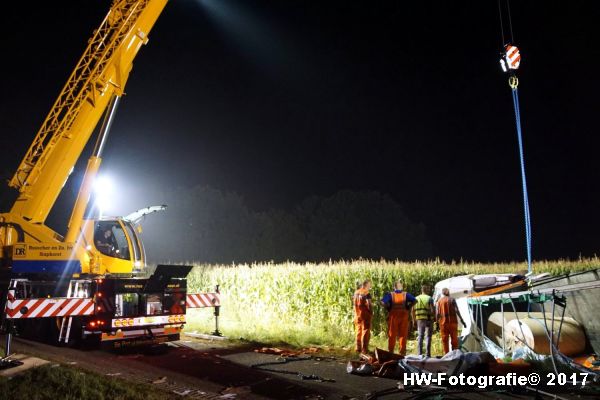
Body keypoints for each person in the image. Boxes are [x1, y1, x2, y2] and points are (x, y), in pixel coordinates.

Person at [381, 281, 416, 356]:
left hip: (393, 317)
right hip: (404, 317)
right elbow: (415, 300)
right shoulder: (406, 294)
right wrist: (408, 307)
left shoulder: (391, 295)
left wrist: (388, 308)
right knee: (403, 335)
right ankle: (402, 353)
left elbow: (382, 302)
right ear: (401, 287)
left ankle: (391, 352)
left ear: (394, 287)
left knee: (392, 334)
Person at [435, 288, 467, 354]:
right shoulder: (452, 299)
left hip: (443, 324)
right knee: (454, 340)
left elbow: (437, 313)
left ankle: (447, 355)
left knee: (445, 340)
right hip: (453, 323)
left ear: (443, 293)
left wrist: (437, 323)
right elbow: (457, 310)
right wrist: (462, 320)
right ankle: (454, 354)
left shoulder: (439, 301)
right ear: (448, 292)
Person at [412, 285, 435, 357]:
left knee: (420, 336)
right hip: (429, 319)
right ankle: (428, 354)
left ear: (421, 290)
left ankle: (419, 354)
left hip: (420, 319)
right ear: (427, 290)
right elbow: (432, 310)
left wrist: (413, 320)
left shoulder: (416, 298)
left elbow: (412, 311)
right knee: (428, 337)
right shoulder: (429, 298)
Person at [352, 279, 373, 354]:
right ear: (366, 285)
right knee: (365, 331)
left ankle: (358, 348)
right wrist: (371, 312)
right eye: (369, 285)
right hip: (365, 315)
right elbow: (369, 304)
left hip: (357, 314)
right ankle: (364, 349)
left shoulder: (356, 292)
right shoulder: (366, 293)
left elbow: (353, 302)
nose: (370, 286)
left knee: (358, 330)